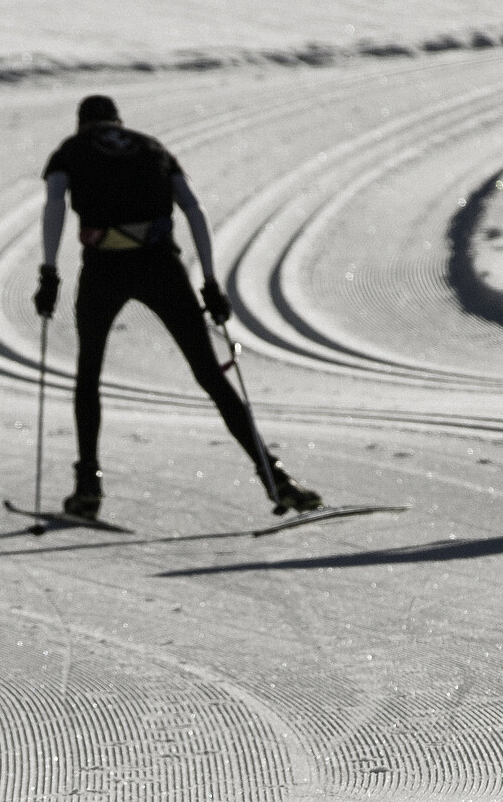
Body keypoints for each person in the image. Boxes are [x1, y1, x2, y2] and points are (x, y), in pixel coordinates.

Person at [35, 94, 320, 521]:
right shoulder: (151, 146)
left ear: (82, 124)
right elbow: (192, 207)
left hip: (104, 268)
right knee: (211, 375)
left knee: (89, 372)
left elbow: (55, 203)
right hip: (160, 266)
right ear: (117, 121)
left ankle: (88, 485)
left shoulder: (71, 150)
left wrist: (49, 272)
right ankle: (275, 477)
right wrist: (209, 280)